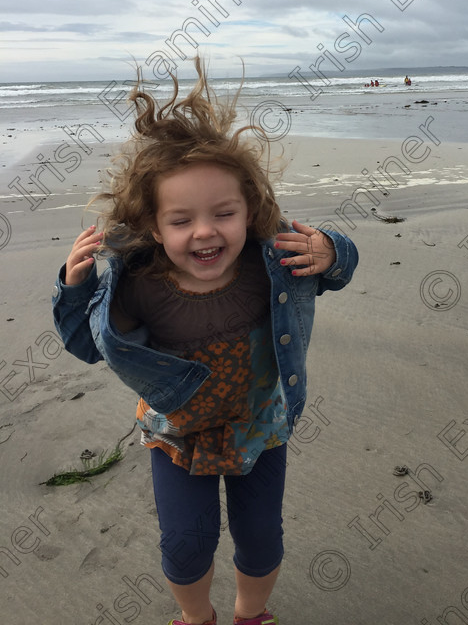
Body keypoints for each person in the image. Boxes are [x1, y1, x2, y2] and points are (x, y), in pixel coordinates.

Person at [52, 57, 359, 625]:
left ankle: (251, 615)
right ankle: (196, 619)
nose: (205, 231)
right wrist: (75, 289)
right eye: (181, 220)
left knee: (261, 534)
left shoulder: (271, 262)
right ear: (152, 225)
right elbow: (86, 344)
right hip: (176, 431)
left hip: (260, 423)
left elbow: (335, 268)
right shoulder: (138, 286)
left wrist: (334, 250)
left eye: (224, 212)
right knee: (187, 541)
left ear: (250, 210)